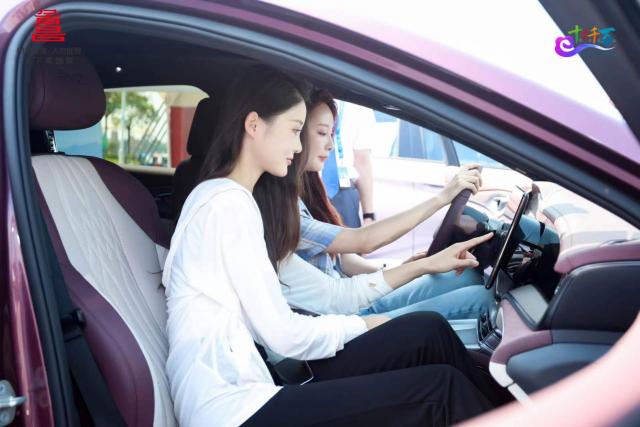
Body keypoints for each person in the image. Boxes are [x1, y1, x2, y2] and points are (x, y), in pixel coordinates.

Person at [163, 64, 498, 427]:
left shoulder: (223, 198)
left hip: (253, 385)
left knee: (427, 333)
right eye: (295, 131)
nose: (298, 146)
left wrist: (377, 316)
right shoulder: (227, 206)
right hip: (233, 409)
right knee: (441, 390)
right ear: (254, 125)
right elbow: (283, 334)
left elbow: (304, 311)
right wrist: (366, 325)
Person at [287, 88, 492, 319]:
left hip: (352, 302)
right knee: (482, 300)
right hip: (342, 319)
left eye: (332, 134)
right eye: (322, 133)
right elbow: (363, 241)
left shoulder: (303, 195)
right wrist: (443, 197)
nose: (331, 145)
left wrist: (398, 269)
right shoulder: (284, 213)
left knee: (466, 278)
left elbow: (344, 261)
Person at [321, 100, 377, 227]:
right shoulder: (309, 93)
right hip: (306, 186)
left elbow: (362, 160)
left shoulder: (358, 103)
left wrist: (368, 215)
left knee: (349, 238)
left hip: (344, 192)